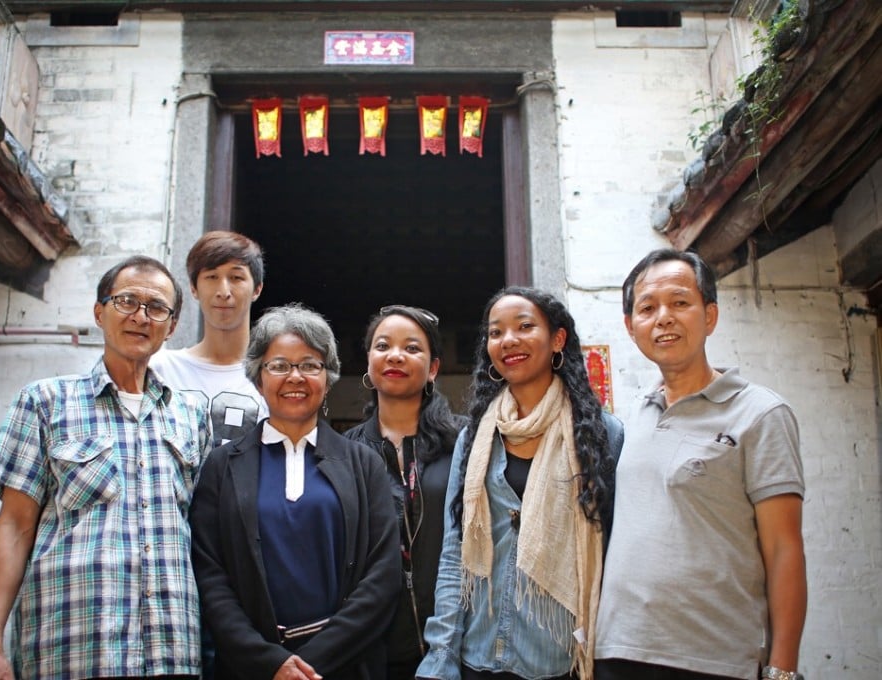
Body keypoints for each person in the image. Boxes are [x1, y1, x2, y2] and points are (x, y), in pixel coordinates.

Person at [0, 255, 209, 680]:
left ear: (171, 327)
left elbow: (203, 531)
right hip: (71, 648)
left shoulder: (191, 415)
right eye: (126, 301)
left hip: (172, 650)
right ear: (100, 312)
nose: (141, 316)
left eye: (156, 307)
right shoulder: (45, 401)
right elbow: (14, 526)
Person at [594, 249, 806, 680]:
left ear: (710, 316)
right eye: (648, 308)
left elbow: (784, 550)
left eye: (680, 302)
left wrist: (783, 671)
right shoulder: (630, 418)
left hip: (713, 659)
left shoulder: (760, 413)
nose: (664, 317)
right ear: (631, 327)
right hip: (618, 651)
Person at [417, 287, 622, 680]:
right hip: (478, 655)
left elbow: (613, 554)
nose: (508, 340)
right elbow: (452, 555)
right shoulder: (474, 437)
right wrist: (441, 656)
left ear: (557, 339)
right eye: (496, 332)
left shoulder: (601, 435)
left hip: (560, 661)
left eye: (525, 327)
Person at [190, 303, 401, 680]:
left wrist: (312, 664)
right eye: (280, 365)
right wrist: (269, 662)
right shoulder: (223, 467)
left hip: (345, 666)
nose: (295, 377)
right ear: (257, 377)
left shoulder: (363, 464)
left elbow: (382, 575)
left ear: (328, 376)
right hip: (251, 670)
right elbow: (210, 575)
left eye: (310, 365)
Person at [344, 305, 467, 679]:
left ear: (432, 368)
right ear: (368, 362)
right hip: (373, 651)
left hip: (459, 646)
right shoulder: (343, 453)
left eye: (412, 348)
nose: (395, 355)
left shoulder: (465, 442)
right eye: (383, 346)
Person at [151, 230, 267, 446]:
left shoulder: (272, 376)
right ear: (194, 288)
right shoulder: (160, 369)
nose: (224, 291)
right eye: (212, 277)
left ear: (257, 289)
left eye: (236, 277)